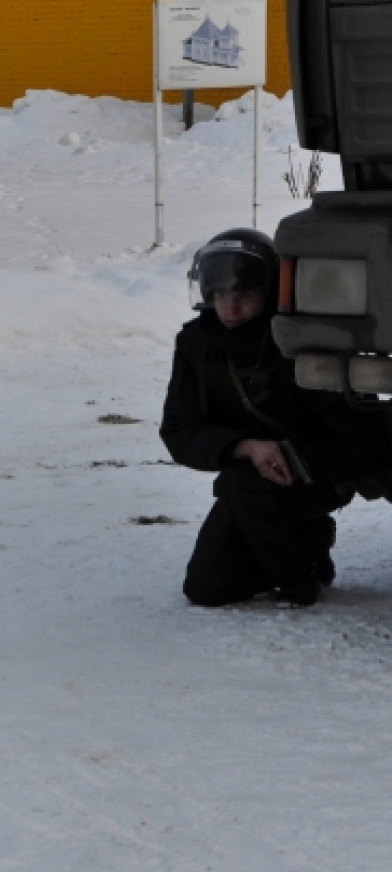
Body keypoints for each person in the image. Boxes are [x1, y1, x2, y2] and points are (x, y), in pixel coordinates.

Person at [161, 228, 390, 607]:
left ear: (268, 292)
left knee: (243, 487)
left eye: (243, 295)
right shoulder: (195, 344)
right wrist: (245, 447)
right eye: (219, 295)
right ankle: (305, 544)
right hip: (248, 472)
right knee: (207, 587)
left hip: (319, 469)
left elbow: (364, 436)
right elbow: (180, 429)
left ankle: (301, 584)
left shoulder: (304, 338)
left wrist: (294, 458)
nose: (229, 308)